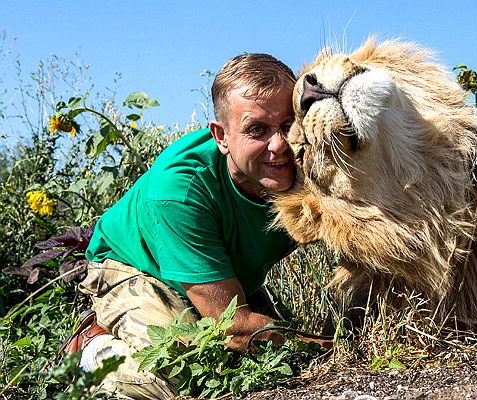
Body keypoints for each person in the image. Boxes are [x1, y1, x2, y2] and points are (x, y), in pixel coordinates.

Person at [63, 53, 331, 399]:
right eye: (257, 130)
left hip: (221, 274)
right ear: (221, 137)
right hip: (136, 267)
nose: (278, 145)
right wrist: (325, 346)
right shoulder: (179, 192)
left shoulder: (308, 161)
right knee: (186, 374)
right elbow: (231, 326)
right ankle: (95, 351)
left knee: (273, 366)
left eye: (287, 125)